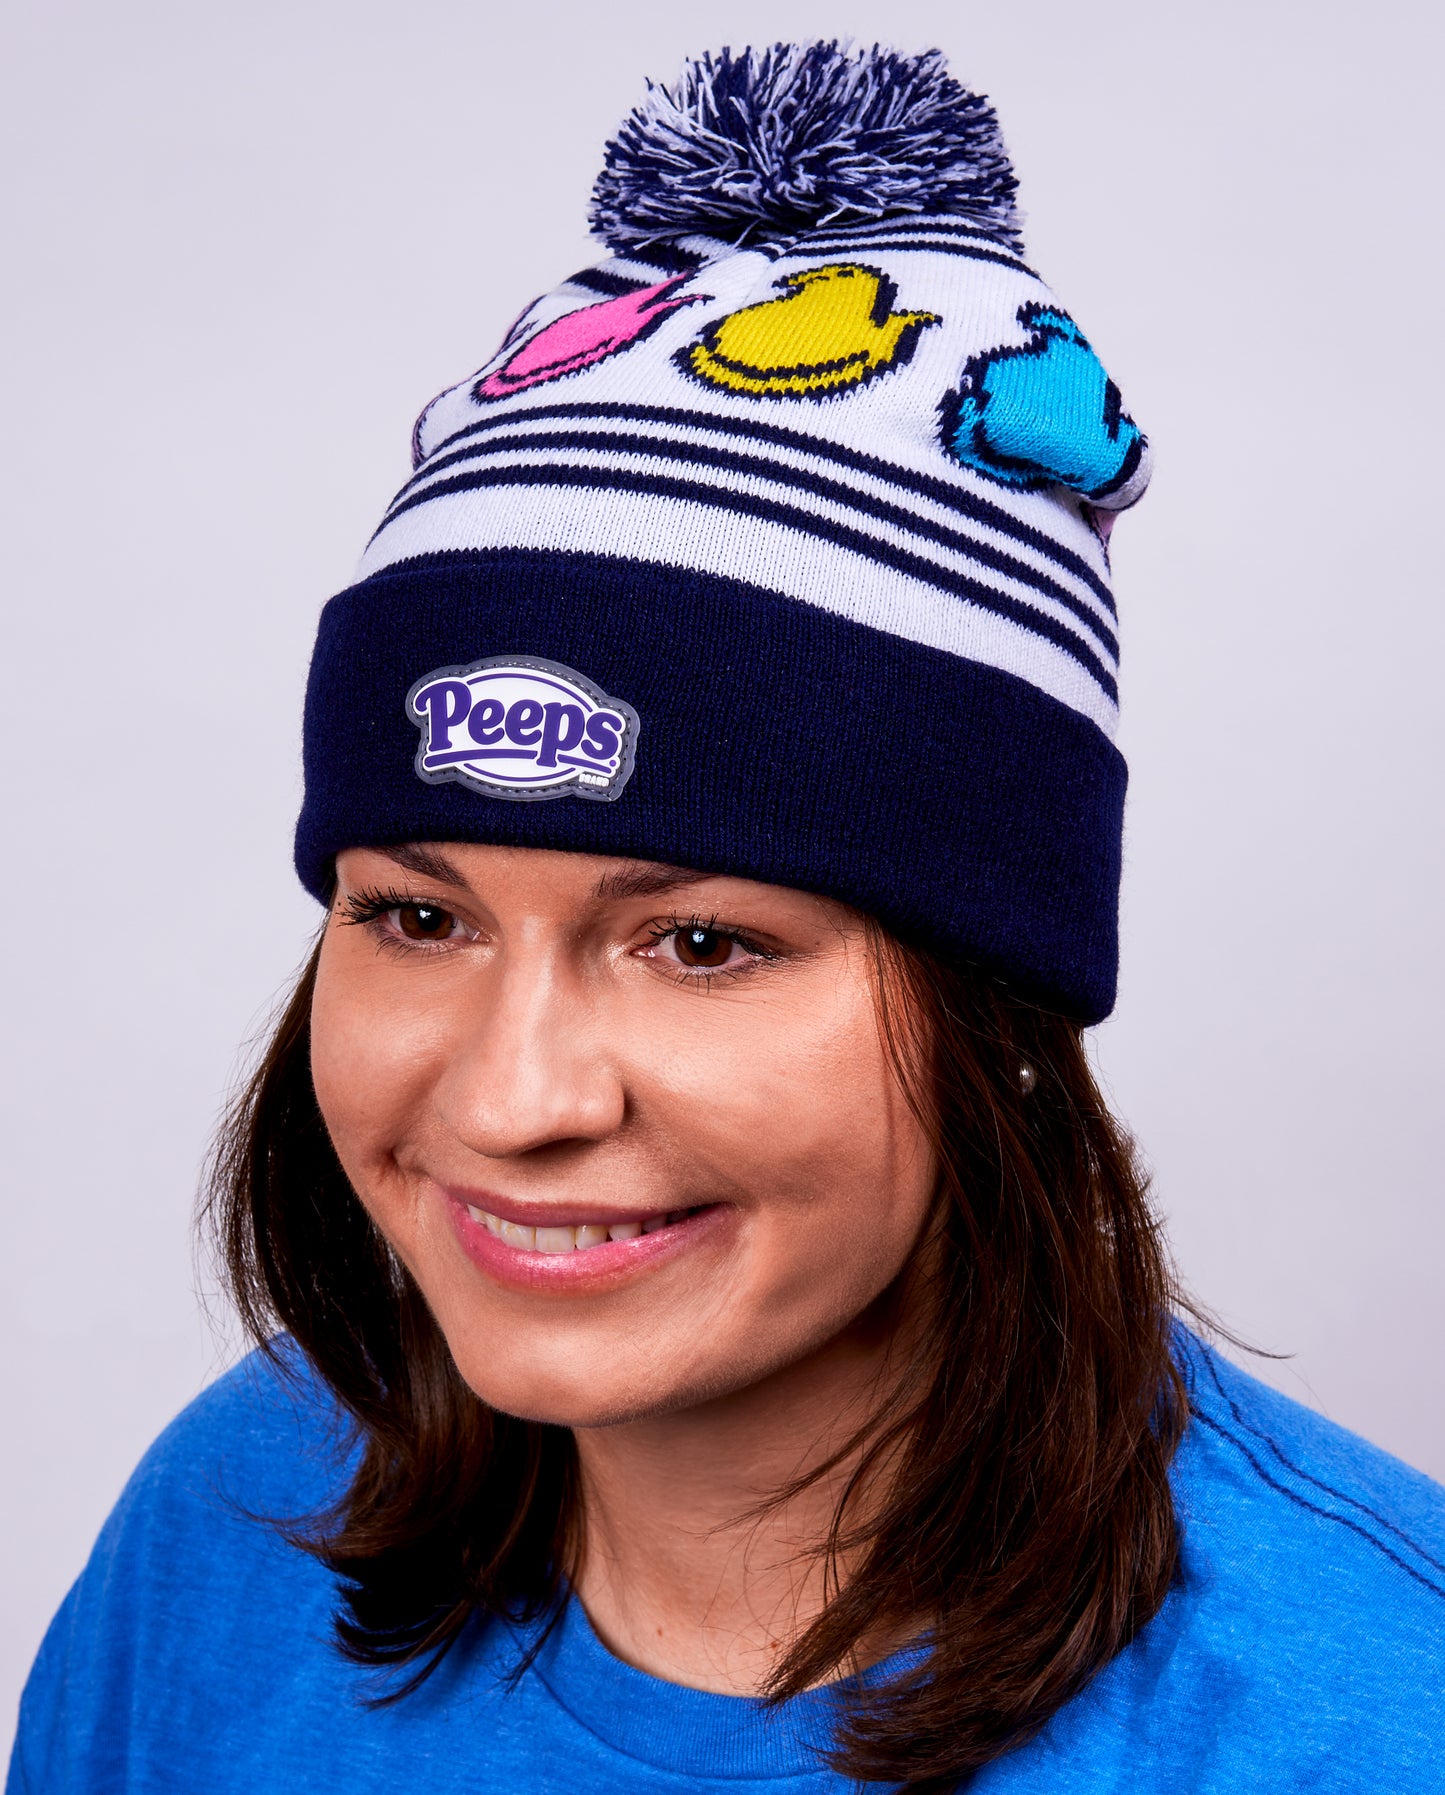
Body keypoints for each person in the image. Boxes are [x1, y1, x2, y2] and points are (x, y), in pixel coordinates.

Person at [9, 40, 1443, 1795]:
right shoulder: (236, 1516)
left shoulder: (1375, 1716)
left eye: (700, 943)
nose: (511, 1099)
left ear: (998, 1003)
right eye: (417, 918)